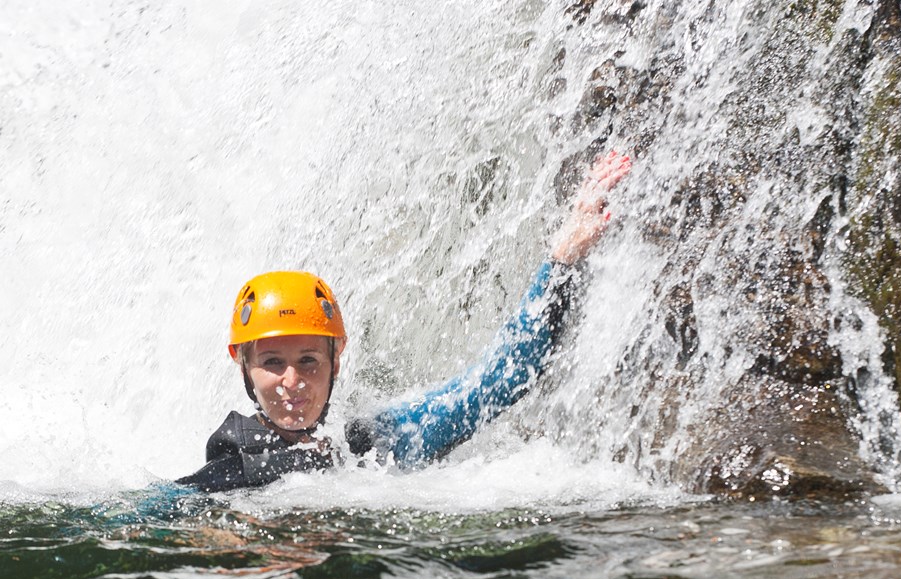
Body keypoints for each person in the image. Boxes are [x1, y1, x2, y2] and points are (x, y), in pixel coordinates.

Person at [171, 150, 633, 496]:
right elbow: (155, 512)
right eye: (273, 362)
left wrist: (562, 261)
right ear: (243, 364)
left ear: (336, 359)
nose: (292, 381)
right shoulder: (229, 477)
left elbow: (493, 384)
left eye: (309, 360)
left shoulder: (368, 445)